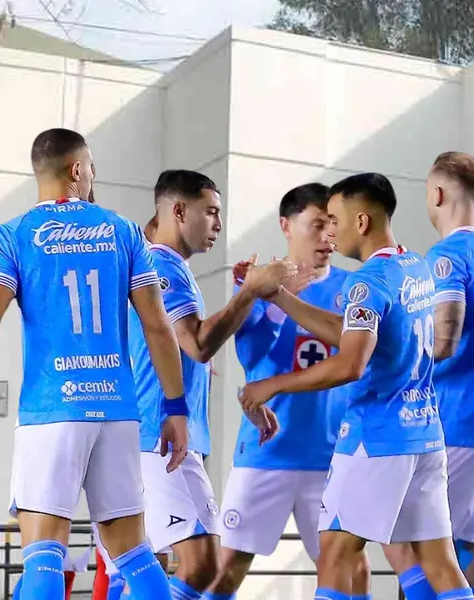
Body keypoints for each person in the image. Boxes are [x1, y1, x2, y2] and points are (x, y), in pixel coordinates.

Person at [0, 127, 187, 600]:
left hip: (51, 411)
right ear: (76, 170)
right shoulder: (125, 231)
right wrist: (175, 407)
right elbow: (159, 327)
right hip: (117, 412)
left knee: (44, 554)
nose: (94, 175)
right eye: (91, 166)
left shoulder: (11, 236)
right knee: (134, 553)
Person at [239, 173, 474, 600]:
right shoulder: (414, 266)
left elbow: (350, 363)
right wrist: (283, 299)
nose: (331, 231)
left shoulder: (365, 281)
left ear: (361, 222)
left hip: (376, 438)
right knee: (440, 562)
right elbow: (352, 332)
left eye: (334, 219)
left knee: (334, 553)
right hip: (423, 435)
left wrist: (274, 384)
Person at [96, 169, 291, 600]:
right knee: (202, 564)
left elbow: (180, 347)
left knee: (137, 569)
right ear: (179, 210)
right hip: (157, 438)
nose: (218, 225)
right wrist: (252, 292)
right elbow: (199, 343)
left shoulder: (150, 262)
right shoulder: (162, 265)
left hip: (134, 435)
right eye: (212, 212)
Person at [206, 183, 369, 599]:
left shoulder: (356, 288)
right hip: (266, 454)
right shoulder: (256, 287)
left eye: (332, 225)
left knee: (355, 574)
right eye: (316, 225)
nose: (328, 236)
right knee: (225, 573)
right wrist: (273, 297)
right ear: (286, 225)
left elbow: (357, 357)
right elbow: (252, 358)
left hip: (332, 458)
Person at [383, 152, 474, 600]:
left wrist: (392, 370)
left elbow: (444, 340)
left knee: (413, 546)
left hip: (455, 421)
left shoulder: (446, 256)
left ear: (437, 193)